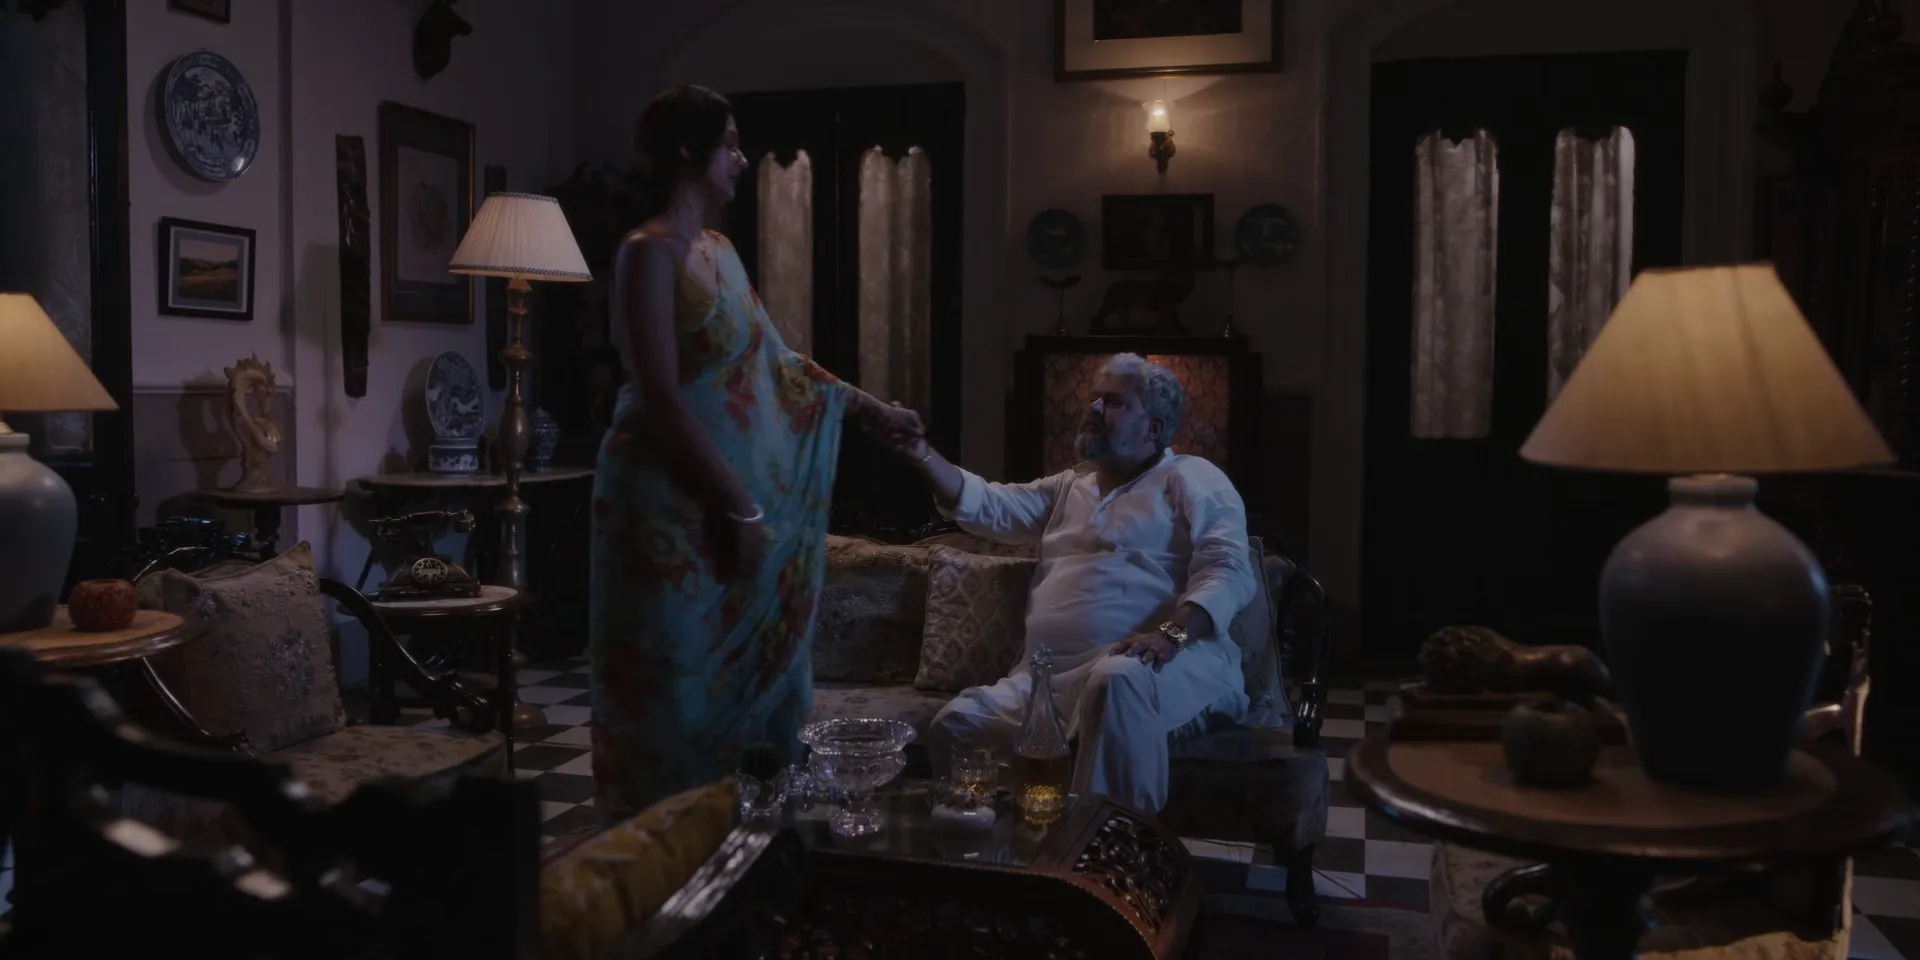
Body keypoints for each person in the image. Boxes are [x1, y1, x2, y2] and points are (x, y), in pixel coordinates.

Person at [590, 84, 922, 819]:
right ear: (690, 151)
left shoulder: (722, 251)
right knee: (673, 684)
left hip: (733, 499)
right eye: (732, 144)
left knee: (753, 683)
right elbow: (659, 395)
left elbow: (777, 363)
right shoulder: (647, 254)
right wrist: (738, 507)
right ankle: (657, 849)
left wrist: (871, 411)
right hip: (665, 506)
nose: (742, 160)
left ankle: (751, 838)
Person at [886, 353, 1256, 813]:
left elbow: (1227, 569)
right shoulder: (1069, 486)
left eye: (1114, 402)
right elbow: (987, 504)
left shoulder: (1191, 477)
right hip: (1052, 679)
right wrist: (920, 452)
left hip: (1162, 665)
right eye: (1095, 398)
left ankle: (1112, 848)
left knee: (1115, 681)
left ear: (1154, 428)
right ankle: (1010, 844)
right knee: (957, 726)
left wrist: (1170, 635)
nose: (1094, 408)